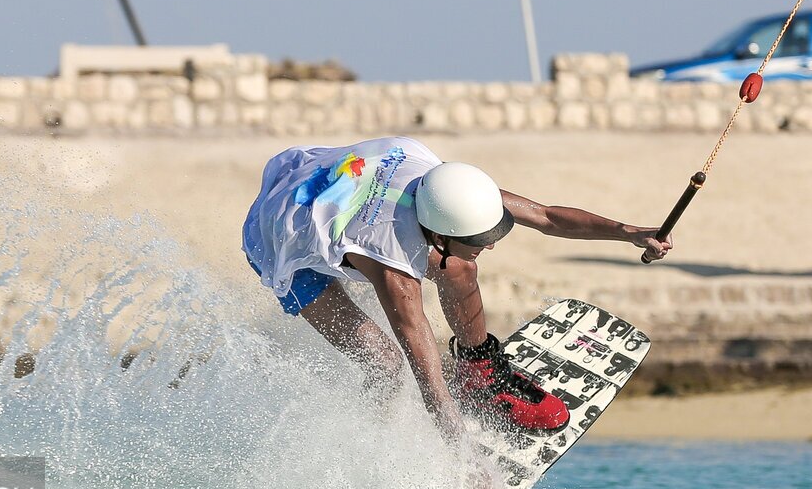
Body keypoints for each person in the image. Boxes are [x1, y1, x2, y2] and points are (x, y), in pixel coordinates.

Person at [241, 136, 671, 440]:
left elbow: (546, 216)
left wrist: (629, 232)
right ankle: (371, 442)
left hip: (324, 186)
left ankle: (478, 372)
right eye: (478, 241)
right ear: (439, 234)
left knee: (458, 270)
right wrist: (460, 457)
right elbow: (420, 350)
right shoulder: (389, 260)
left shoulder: (447, 186)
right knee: (385, 363)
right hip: (277, 239)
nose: (488, 246)